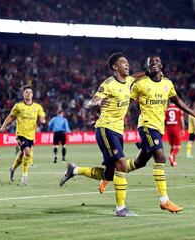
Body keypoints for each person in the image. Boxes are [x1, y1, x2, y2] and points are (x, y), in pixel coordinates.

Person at [100, 55, 195, 213]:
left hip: (159, 128)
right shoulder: (141, 84)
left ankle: (111, 175)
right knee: (160, 157)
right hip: (146, 126)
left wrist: (192, 113)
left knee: (140, 162)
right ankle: (164, 200)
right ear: (147, 67)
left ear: (161, 65)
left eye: (157, 61)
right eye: (151, 62)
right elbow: (125, 101)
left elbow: (177, 101)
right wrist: (112, 117)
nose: (154, 64)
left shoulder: (167, 84)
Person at [59, 52, 138, 217]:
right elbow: (91, 102)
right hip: (105, 128)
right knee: (121, 165)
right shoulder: (108, 84)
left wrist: (150, 72)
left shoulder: (129, 80)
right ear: (115, 67)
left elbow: (137, 76)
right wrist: (99, 102)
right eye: (123, 62)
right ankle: (120, 209)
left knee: (109, 174)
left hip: (117, 131)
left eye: (127, 62)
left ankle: (75, 170)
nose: (127, 64)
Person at [0, 85, 46, 185]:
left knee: (23, 154)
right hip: (21, 134)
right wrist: (4, 126)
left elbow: (42, 116)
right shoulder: (18, 106)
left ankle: (12, 169)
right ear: (23, 94)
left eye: (30, 92)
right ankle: (25, 175)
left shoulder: (37, 107)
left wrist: (43, 120)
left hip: (31, 135)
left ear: (33, 95)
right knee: (28, 152)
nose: (28, 94)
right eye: (26, 92)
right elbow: (11, 117)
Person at [165, 102, 185, 167]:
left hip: (169, 129)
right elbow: (182, 120)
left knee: (173, 146)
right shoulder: (178, 109)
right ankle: (171, 156)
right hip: (176, 129)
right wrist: (183, 129)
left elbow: (163, 119)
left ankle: (173, 162)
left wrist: (164, 128)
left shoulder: (166, 109)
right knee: (178, 147)